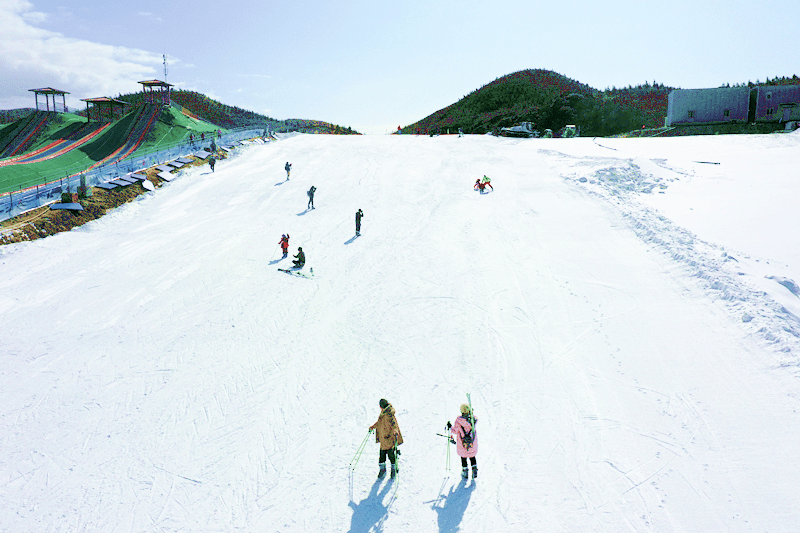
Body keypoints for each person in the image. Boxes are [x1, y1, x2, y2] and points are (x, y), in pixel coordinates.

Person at [369, 398, 403, 479]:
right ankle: (383, 470)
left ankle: (394, 469)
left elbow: (394, 424)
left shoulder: (389, 414)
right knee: (382, 456)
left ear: (381, 407)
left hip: (389, 439)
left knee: (391, 455)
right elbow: (380, 422)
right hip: (383, 439)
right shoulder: (383, 412)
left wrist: (395, 431)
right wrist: (373, 427)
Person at [447, 403, 478, 479]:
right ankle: (474, 470)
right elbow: (475, 418)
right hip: (472, 442)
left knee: (463, 457)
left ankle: (465, 471)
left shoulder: (459, 420)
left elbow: (455, 431)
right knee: (472, 456)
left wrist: (450, 427)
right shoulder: (473, 419)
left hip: (462, 443)